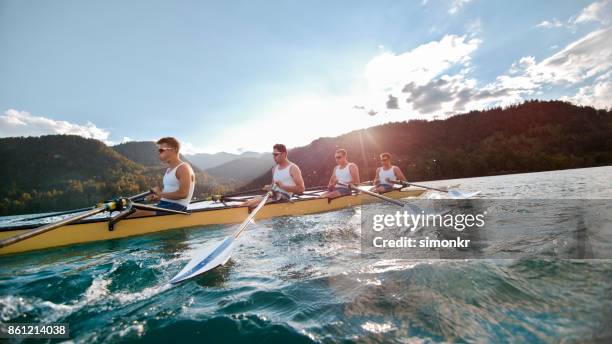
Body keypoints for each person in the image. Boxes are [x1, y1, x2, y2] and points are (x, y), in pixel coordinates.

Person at [133, 137, 195, 216]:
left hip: (177, 208)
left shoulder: (183, 168)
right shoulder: (169, 170)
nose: (159, 152)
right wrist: (158, 197)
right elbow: (169, 193)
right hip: (164, 204)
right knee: (132, 209)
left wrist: (160, 194)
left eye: (161, 150)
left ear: (174, 149)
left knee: (133, 213)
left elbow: (183, 194)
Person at [241, 144, 305, 208]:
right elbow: (273, 186)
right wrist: (269, 187)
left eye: (276, 154)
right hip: (273, 195)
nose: (274, 157)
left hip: (283, 197)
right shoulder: (274, 169)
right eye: (273, 154)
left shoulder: (293, 168)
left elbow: (301, 189)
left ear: (284, 154)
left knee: (251, 204)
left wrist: (283, 186)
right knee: (248, 202)